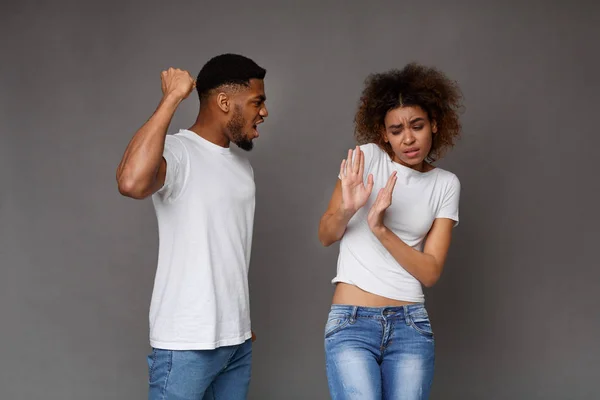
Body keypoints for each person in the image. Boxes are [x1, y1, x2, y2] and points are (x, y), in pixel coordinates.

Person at [116, 53, 268, 400]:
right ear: (225, 102)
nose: (264, 112)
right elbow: (131, 183)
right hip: (186, 345)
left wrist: (237, 321)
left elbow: (226, 250)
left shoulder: (243, 169)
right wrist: (171, 98)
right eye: (257, 101)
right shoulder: (177, 152)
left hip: (236, 342)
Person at [318, 63, 463, 399]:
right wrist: (349, 207)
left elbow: (430, 272)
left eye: (417, 126)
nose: (408, 139)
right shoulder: (366, 159)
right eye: (396, 130)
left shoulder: (445, 184)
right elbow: (326, 234)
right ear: (383, 134)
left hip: (410, 324)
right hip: (350, 323)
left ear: (435, 125)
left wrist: (380, 229)